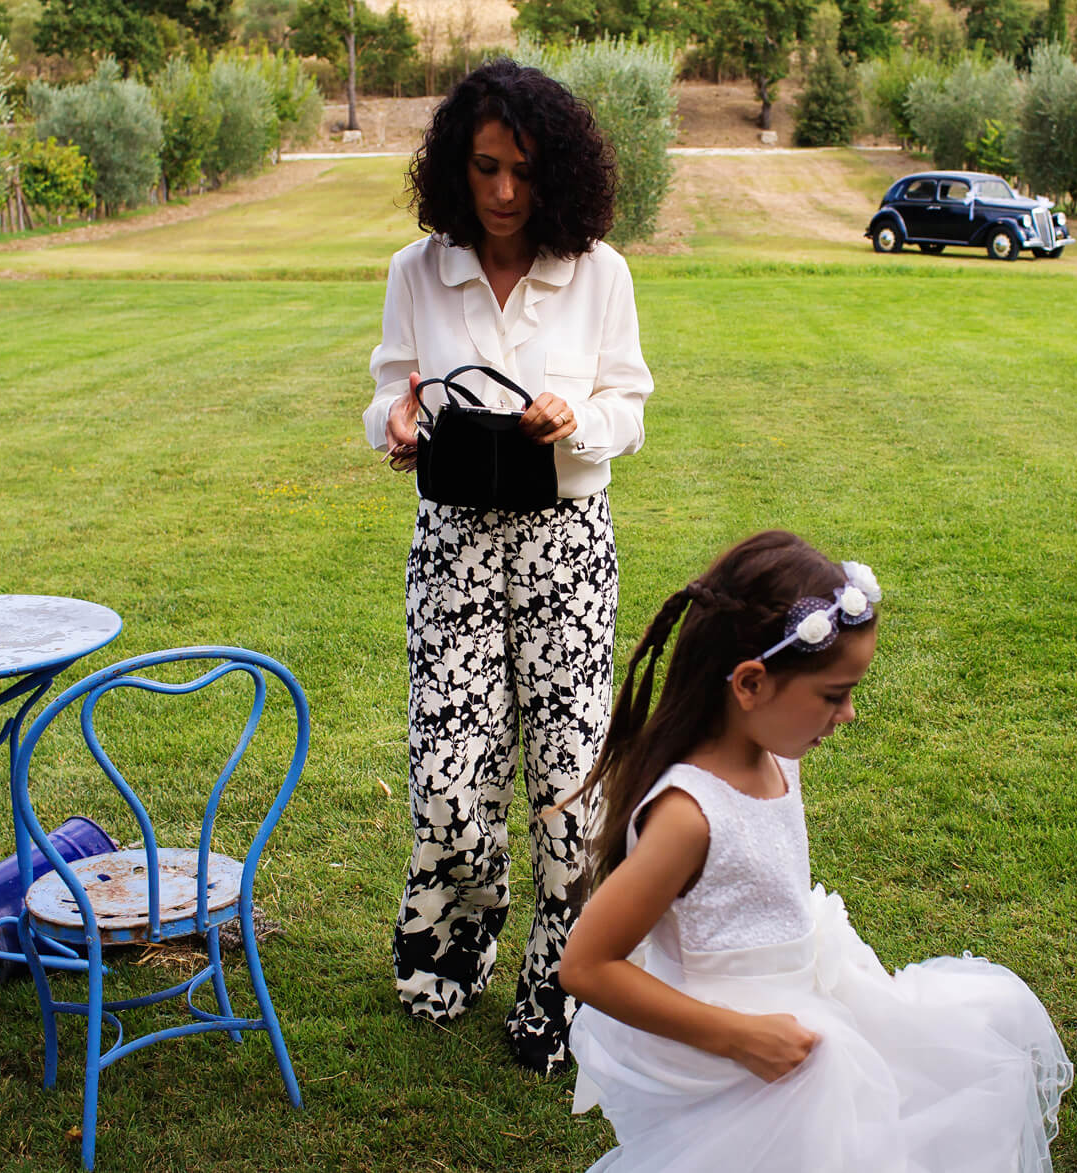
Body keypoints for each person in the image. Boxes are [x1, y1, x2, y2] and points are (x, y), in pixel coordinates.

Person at [560, 531, 1073, 1172]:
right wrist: (742, 1037)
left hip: (807, 996)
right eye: (834, 694)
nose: (849, 713)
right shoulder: (688, 817)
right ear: (750, 683)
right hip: (748, 1049)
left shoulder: (775, 755)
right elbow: (586, 966)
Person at [363, 58, 653, 1072]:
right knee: (449, 778)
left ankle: (565, 984)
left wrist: (577, 420)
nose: (499, 194)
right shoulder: (418, 271)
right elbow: (387, 391)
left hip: (565, 549)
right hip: (450, 546)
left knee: (569, 784)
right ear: (454, 166)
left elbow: (630, 408)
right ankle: (453, 945)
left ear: (555, 174)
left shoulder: (598, 272)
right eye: (482, 168)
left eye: (521, 172)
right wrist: (393, 423)